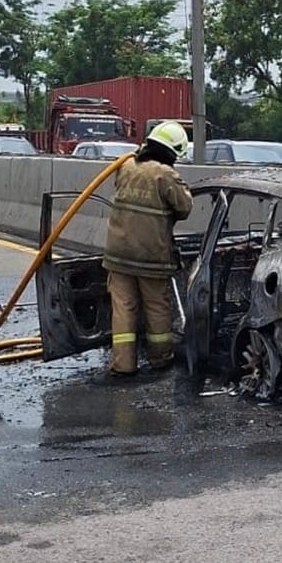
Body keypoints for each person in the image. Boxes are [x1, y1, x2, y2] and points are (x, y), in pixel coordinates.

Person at [101, 121, 193, 377]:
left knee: (123, 309)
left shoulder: (125, 167)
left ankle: (123, 365)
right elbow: (185, 207)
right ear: (172, 152)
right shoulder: (165, 175)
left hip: (118, 254)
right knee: (157, 308)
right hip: (151, 257)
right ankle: (161, 359)